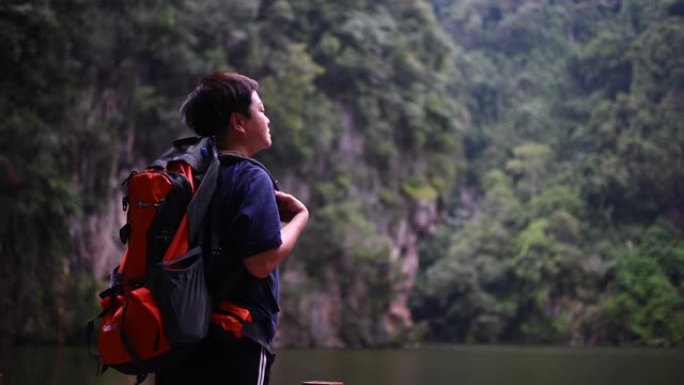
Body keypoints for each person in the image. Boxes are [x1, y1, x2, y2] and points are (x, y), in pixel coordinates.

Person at [156, 72, 309, 385]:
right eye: (262, 110)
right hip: (234, 338)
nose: (267, 119)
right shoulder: (251, 177)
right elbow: (261, 262)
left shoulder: (185, 178)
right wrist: (300, 218)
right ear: (239, 122)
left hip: (177, 333)